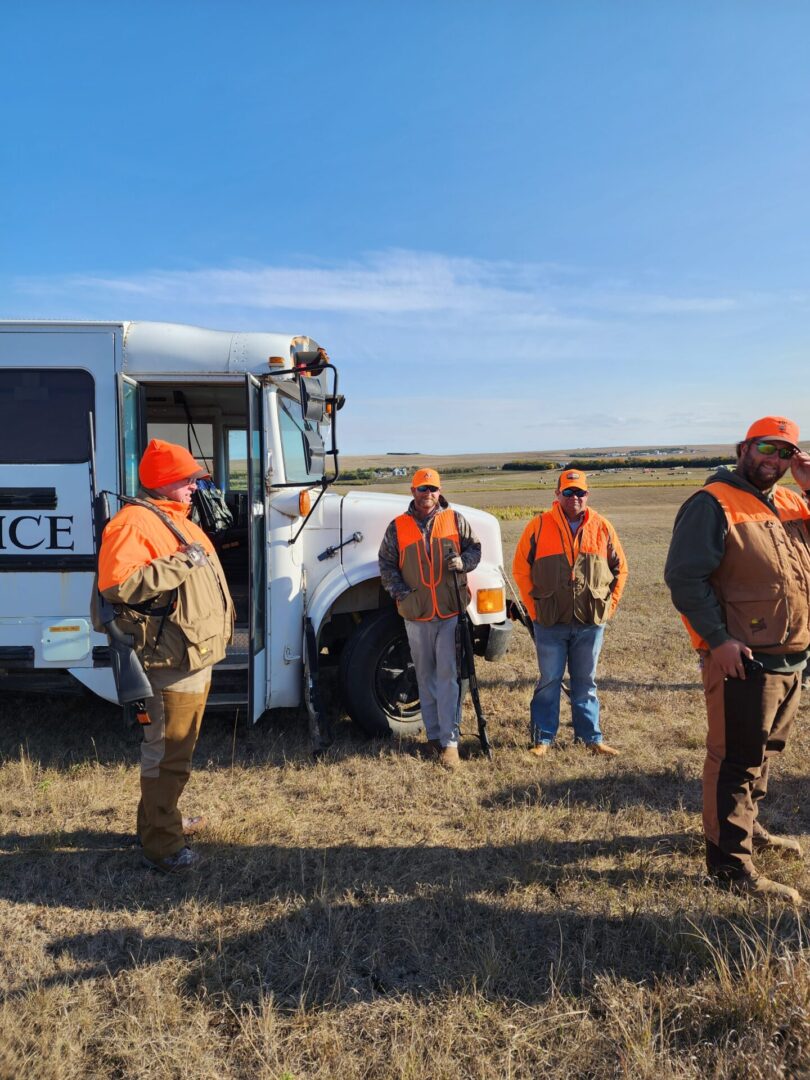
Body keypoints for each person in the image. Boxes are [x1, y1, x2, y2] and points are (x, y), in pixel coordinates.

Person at [665, 416, 810, 904]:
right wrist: (717, 640)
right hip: (742, 659)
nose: (776, 460)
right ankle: (729, 866)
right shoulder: (711, 503)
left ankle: (749, 830)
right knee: (734, 761)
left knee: (764, 755)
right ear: (745, 447)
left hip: (791, 657)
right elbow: (685, 579)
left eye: (787, 453)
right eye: (767, 448)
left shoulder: (792, 502)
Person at [96, 439, 234, 873]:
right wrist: (181, 563)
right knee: (169, 753)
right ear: (162, 481)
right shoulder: (134, 522)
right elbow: (117, 587)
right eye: (187, 479)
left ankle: (158, 821)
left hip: (191, 656)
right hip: (170, 663)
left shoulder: (176, 520)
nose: (195, 486)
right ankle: (163, 844)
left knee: (171, 750)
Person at [512, 468, 627, 758]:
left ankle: (590, 738)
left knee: (586, 682)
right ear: (557, 494)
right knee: (549, 681)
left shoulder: (602, 527)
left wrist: (609, 606)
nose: (574, 498)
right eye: (568, 492)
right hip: (550, 621)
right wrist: (534, 608)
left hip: (590, 620)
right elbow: (520, 569)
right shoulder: (538, 526)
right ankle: (543, 738)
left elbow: (620, 569)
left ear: (587, 495)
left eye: (580, 493)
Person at [378, 467, 481, 770]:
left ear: (439, 491)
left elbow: (475, 549)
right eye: (422, 489)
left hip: (450, 612)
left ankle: (449, 743)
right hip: (416, 615)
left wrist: (464, 563)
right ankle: (433, 736)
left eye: (432, 489)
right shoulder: (398, 527)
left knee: (448, 677)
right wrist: (401, 594)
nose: (428, 494)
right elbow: (386, 563)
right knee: (424, 676)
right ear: (412, 492)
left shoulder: (455, 519)